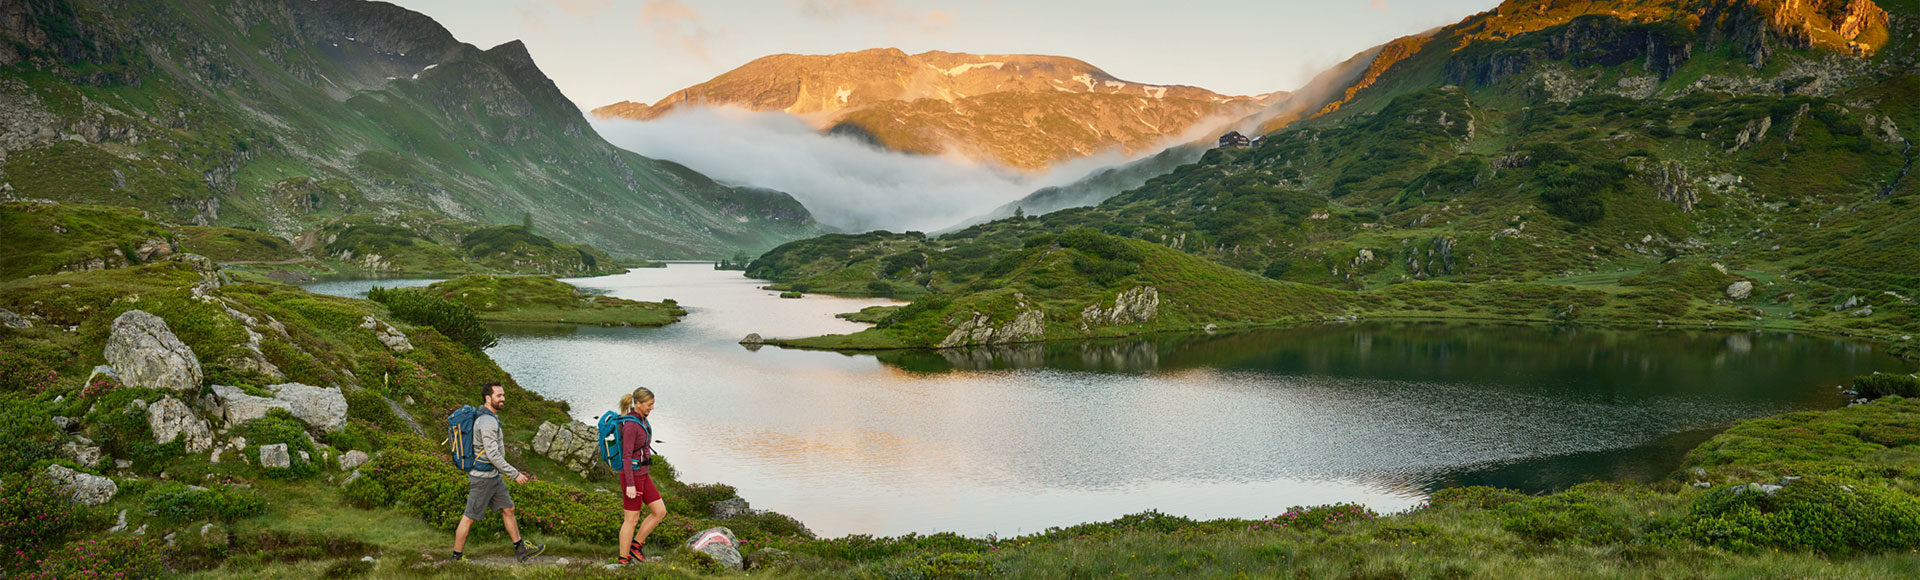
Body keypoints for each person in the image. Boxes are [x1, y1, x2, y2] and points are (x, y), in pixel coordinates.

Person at [451, 381, 545, 563]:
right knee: (469, 517)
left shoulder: (489, 417)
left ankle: (521, 550)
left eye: (503, 395)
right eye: (499, 396)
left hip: (493, 478)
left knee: (508, 509)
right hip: (482, 480)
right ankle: (456, 558)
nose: (503, 399)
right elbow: (493, 455)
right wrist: (514, 473)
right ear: (488, 398)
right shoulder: (486, 422)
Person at [615, 387, 666, 565]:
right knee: (631, 519)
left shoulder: (642, 420)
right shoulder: (630, 425)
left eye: (653, 404)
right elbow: (626, 456)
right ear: (638, 404)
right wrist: (630, 484)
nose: (652, 407)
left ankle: (635, 546)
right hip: (633, 478)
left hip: (644, 475)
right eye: (649, 404)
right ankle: (623, 559)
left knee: (659, 511)